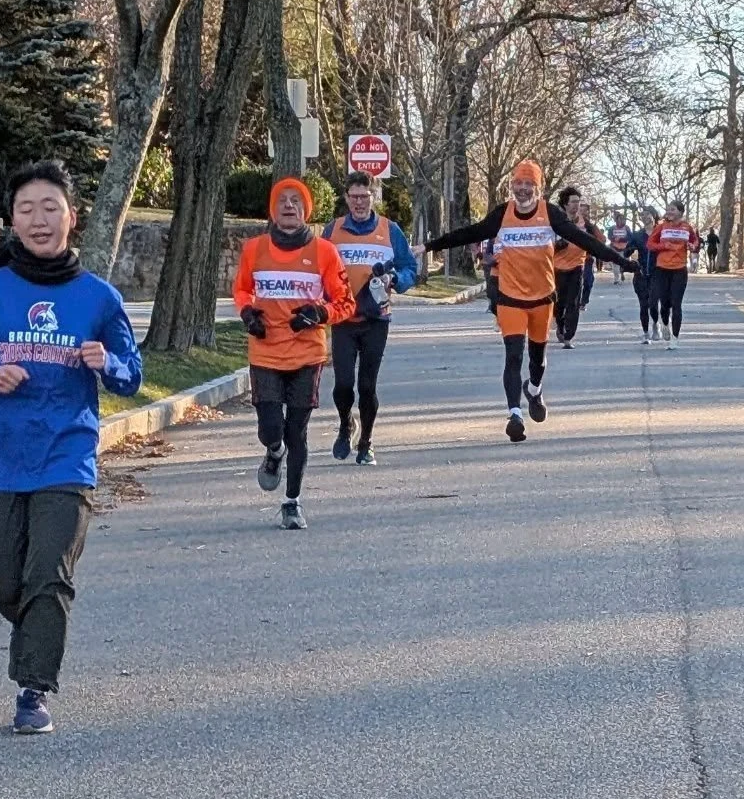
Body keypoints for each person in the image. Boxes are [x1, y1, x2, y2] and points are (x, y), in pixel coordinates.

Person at [0, 159, 142, 735]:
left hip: (66, 455)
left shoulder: (98, 298)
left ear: (72, 217)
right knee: (4, 576)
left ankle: (34, 688)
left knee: (49, 573)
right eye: (26, 209)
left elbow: (131, 374)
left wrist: (109, 362)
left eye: (50, 207)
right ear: (12, 221)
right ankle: (35, 632)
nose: (39, 219)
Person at [412, 160, 632, 440]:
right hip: (510, 298)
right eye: (519, 183)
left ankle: (534, 390)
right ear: (512, 186)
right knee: (513, 355)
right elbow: (470, 233)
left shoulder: (550, 214)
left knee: (537, 360)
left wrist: (623, 262)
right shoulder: (502, 214)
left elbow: (585, 240)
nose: (523, 189)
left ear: (538, 189)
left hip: (542, 298)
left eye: (529, 184)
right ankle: (514, 415)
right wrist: (428, 246)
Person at [233, 177, 355, 529]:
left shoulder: (324, 252)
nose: (289, 205)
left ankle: (292, 503)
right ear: (273, 210)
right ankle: (274, 451)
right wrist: (247, 313)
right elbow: (241, 289)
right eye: (282, 200)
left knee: (297, 431)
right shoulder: (254, 249)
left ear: (306, 211)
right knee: (271, 429)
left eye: (296, 201)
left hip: (306, 354)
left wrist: (319, 313)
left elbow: (345, 302)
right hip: (266, 352)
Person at [323, 172, 417, 465]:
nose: (359, 203)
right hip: (343, 319)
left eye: (364, 196)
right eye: (354, 197)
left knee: (367, 385)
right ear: (346, 198)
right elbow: (318, 268)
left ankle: (366, 442)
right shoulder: (333, 230)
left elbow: (409, 268)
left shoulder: (390, 230)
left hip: (376, 318)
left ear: (373, 197)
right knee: (342, 385)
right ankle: (345, 424)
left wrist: (395, 279)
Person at [648, 200, 702, 348]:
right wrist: (663, 245)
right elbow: (650, 244)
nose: (669, 212)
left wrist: (692, 246)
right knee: (665, 304)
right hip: (662, 268)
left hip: (679, 269)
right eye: (668, 209)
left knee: (676, 304)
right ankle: (665, 323)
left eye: (672, 209)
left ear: (680, 212)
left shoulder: (687, 227)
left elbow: (695, 241)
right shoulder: (661, 227)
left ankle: (675, 338)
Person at [552, 186, 588, 347]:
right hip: (558, 267)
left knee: (574, 302)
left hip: (577, 266)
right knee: (559, 303)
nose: (576, 205)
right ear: (565, 204)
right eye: (573, 202)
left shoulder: (584, 222)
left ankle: (569, 337)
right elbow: (547, 245)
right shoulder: (556, 222)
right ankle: (560, 327)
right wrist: (560, 244)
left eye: (578, 202)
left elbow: (599, 239)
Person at [622, 206, 661, 343]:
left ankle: (656, 324)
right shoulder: (637, 235)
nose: (645, 217)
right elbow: (626, 252)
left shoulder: (661, 233)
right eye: (642, 215)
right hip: (641, 274)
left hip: (657, 274)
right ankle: (645, 333)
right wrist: (630, 249)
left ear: (654, 215)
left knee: (653, 304)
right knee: (643, 305)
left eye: (647, 214)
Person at [579, 201, 604, 310]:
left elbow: (602, 239)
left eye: (585, 211)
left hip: (587, 258)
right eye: (581, 210)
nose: (583, 213)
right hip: (571, 260)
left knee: (588, 281)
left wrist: (593, 245)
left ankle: (583, 302)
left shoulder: (591, 227)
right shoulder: (569, 224)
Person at [607, 210, 632, 284]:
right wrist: (614, 238)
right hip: (615, 248)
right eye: (619, 219)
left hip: (624, 249)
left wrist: (621, 239)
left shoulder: (627, 228)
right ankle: (616, 279)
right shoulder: (612, 228)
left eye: (623, 219)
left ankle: (622, 272)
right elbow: (609, 236)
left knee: (624, 264)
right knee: (615, 264)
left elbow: (630, 237)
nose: (621, 221)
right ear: (616, 220)